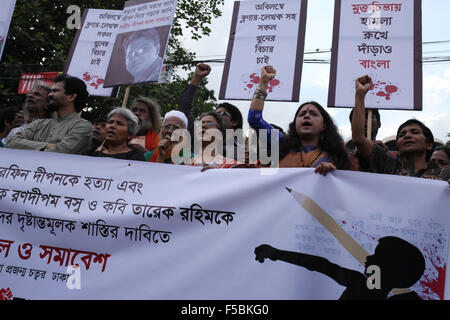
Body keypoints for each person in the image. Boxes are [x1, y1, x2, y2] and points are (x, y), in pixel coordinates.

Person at [248, 65, 354, 174]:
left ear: (324, 125)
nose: (306, 116)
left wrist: (333, 173)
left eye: (313, 114)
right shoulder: (280, 143)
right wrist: (264, 82)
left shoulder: (337, 157)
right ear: (295, 124)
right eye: (302, 114)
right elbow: (254, 119)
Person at [254, 236, 425, 300]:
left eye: (377, 256)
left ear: (389, 267)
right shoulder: (361, 284)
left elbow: (318, 265)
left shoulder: (359, 285)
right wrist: (277, 254)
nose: (368, 257)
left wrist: (277, 254)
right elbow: (319, 265)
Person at [352, 75, 450, 182]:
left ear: (429, 145)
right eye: (402, 135)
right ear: (398, 145)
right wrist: (360, 95)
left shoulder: (444, 175)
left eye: (415, 132)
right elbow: (359, 139)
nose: (407, 136)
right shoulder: (389, 166)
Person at [5, 75, 92, 155]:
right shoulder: (39, 124)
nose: (50, 94)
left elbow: (60, 152)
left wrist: (28, 146)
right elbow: (11, 142)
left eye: (55, 91)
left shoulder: (82, 126)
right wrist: (47, 146)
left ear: (71, 96)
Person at [128, 97, 162, 161]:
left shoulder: (159, 137)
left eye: (142, 111)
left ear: (151, 116)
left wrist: (146, 152)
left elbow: (160, 160)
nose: (137, 113)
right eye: (134, 110)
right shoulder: (120, 133)